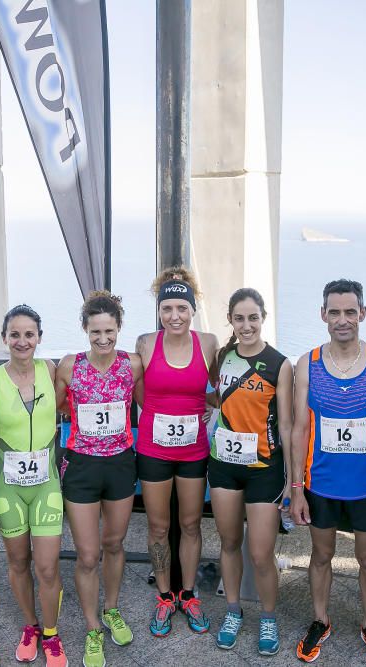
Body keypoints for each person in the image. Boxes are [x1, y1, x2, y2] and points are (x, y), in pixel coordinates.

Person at [289, 279, 366, 667]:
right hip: (321, 484)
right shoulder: (309, 363)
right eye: (333, 312)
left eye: (349, 312)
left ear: (362, 314)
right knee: (321, 556)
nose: (342, 320)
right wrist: (296, 489)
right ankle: (320, 619)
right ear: (323, 315)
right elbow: (299, 428)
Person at [54, 291, 142, 667]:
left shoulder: (132, 365)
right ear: (85, 331)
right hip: (82, 467)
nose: (103, 339)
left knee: (115, 543)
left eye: (109, 331)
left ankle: (111, 609)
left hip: (121, 464)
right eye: (95, 332)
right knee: (88, 554)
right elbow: (58, 406)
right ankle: (92, 629)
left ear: (119, 328)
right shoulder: (70, 366)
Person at [207, 288, 293, 656]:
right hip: (224, 465)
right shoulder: (222, 355)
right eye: (239, 318)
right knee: (227, 543)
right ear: (231, 320)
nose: (246, 325)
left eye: (253, 318)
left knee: (260, 554)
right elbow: (215, 395)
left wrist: (293, 481)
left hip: (263, 469)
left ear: (263, 318)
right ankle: (232, 612)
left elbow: (287, 425)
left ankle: (268, 618)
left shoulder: (279, 364)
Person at [135, 266, 219, 637]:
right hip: (154, 449)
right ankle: (166, 596)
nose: (175, 316)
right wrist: (155, 412)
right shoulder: (146, 343)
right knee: (157, 526)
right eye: (167, 308)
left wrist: (209, 404)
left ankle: (188, 592)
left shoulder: (209, 343)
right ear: (159, 312)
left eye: (181, 308)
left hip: (193, 450)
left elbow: (221, 388)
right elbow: (136, 390)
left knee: (189, 523)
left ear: (192, 310)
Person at [0, 305, 66, 667]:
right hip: (8, 489)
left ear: (39, 339)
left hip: (46, 486)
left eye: (29, 334)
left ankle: (51, 633)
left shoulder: (51, 370)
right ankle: (29, 626)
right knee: (18, 562)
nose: (22, 341)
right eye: (14, 334)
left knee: (47, 567)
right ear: (4, 339)